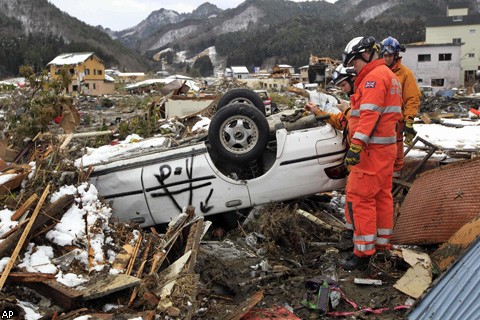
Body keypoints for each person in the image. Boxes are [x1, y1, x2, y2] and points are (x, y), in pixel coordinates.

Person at [337, 36, 403, 270]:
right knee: (382, 196)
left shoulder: (374, 78)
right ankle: (382, 245)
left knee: (359, 198)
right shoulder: (390, 76)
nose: (353, 68)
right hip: (385, 149)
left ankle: (363, 253)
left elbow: (369, 115)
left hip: (371, 151)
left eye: (354, 63)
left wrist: (356, 145)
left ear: (365, 54)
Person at [380, 36, 421, 178]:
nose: (387, 58)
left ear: (396, 55)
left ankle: (394, 182)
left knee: (396, 155)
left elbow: (412, 98)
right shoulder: (378, 72)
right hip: (379, 121)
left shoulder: (405, 74)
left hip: (397, 123)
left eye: (390, 55)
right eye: (384, 55)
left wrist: (409, 120)